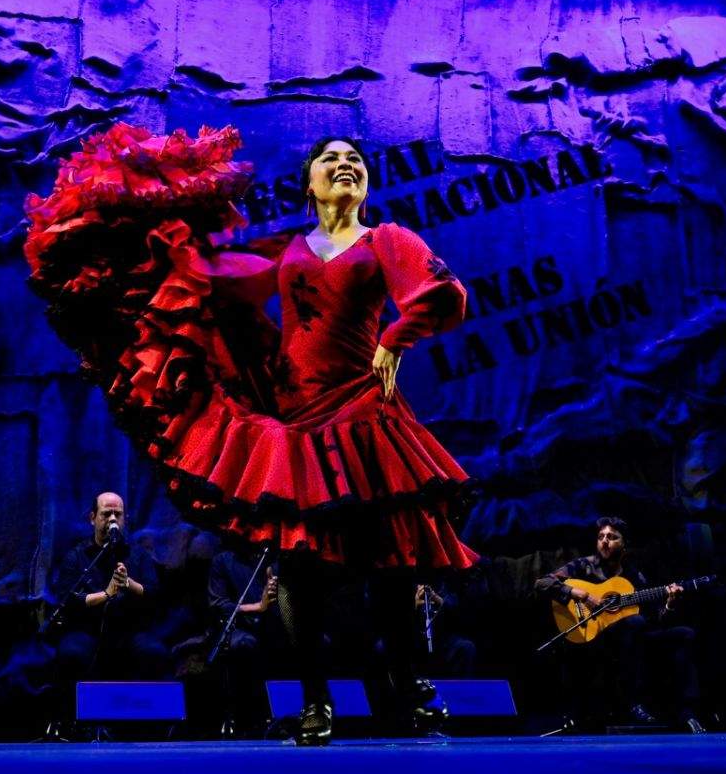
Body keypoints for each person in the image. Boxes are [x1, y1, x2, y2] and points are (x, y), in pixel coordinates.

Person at [24, 124, 479, 745]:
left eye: (354, 160)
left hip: (362, 415)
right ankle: (316, 700)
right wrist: (143, 238)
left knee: (391, 564)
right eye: (330, 159)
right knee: (297, 564)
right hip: (295, 422)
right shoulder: (289, 248)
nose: (344, 165)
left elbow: (442, 293)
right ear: (310, 181)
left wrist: (393, 339)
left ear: (366, 181)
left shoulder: (386, 239)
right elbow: (213, 277)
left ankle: (405, 683)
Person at [534, 516, 705, 734]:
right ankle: (633, 702)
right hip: (593, 638)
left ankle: (687, 712)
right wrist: (580, 594)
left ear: (624, 544)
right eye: (601, 537)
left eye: (612, 537)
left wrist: (669, 605)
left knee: (684, 633)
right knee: (634, 622)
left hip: (630, 637)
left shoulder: (634, 576)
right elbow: (542, 583)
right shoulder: (583, 566)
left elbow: (653, 620)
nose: (604, 541)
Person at [51, 492, 168, 687]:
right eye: (106, 514)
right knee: (71, 654)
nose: (113, 519)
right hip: (87, 631)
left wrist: (128, 583)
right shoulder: (77, 555)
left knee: (154, 652)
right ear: (92, 518)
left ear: (125, 519)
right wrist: (106, 594)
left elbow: (155, 594)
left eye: (118, 514)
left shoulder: (138, 555)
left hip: (130, 631)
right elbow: (67, 599)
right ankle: (68, 716)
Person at [207, 545, 283, 736]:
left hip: (274, 623)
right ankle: (248, 721)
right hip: (239, 627)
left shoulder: (277, 561)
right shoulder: (224, 560)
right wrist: (259, 606)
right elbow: (219, 605)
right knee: (245, 645)